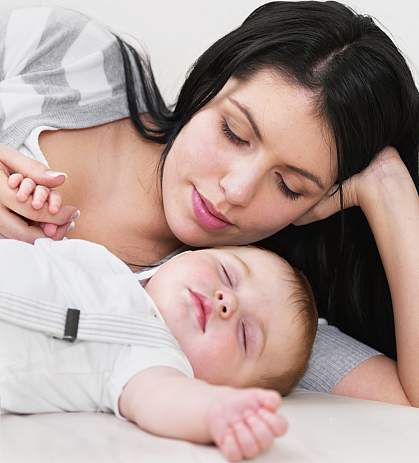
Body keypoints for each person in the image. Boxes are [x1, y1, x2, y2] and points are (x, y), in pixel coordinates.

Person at [0, 2, 417, 403]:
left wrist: (388, 188)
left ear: (319, 205)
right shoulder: (73, 57)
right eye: (233, 132)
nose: (236, 191)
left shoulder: (249, 321)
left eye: (289, 186)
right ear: (210, 84)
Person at [0, 238, 317, 461]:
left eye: (246, 334)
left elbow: (165, 401)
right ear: (188, 254)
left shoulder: (154, 361)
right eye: (227, 274)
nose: (227, 301)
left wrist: (215, 410)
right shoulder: (102, 260)